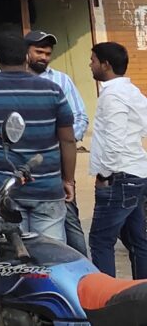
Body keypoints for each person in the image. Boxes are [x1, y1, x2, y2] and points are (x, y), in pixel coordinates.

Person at [0, 32, 76, 244]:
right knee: (49, 254)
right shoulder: (52, 90)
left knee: (8, 256)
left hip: (1, 191)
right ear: (26, 57)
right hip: (47, 189)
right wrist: (68, 180)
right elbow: (68, 140)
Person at [26, 30, 90, 256]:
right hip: (21, 167)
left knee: (70, 224)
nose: (44, 57)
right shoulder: (10, 80)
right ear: (26, 52)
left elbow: (80, 117)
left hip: (57, 166)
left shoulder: (61, 80)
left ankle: (83, 270)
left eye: (47, 53)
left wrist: (62, 141)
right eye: (39, 52)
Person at [87, 41, 147, 278]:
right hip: (136, 173)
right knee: (137, 241)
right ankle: (140, 293)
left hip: (119, 177)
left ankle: (107, 296)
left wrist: (104, 174)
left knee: (101, 240)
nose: (90, 65)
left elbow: (113, 141)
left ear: (106, 64)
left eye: (93, 60)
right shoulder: (130, 91)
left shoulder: (112, 95)